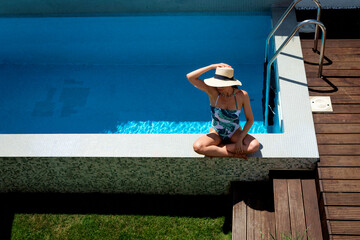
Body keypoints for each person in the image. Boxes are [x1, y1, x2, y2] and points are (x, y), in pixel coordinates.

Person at [186, 63, 260, 160]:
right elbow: (190, 77)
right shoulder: (213, 92)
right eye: (217, 83)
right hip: (216, 132)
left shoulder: (242, 95)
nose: (218, 87)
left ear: (230, 83)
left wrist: (240, 140)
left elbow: (250, 120)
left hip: (234, 132)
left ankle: (217, 150)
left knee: (254, 146)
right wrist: (212, 66)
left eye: (222, 84)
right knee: (198, 147)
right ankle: (231, 154)